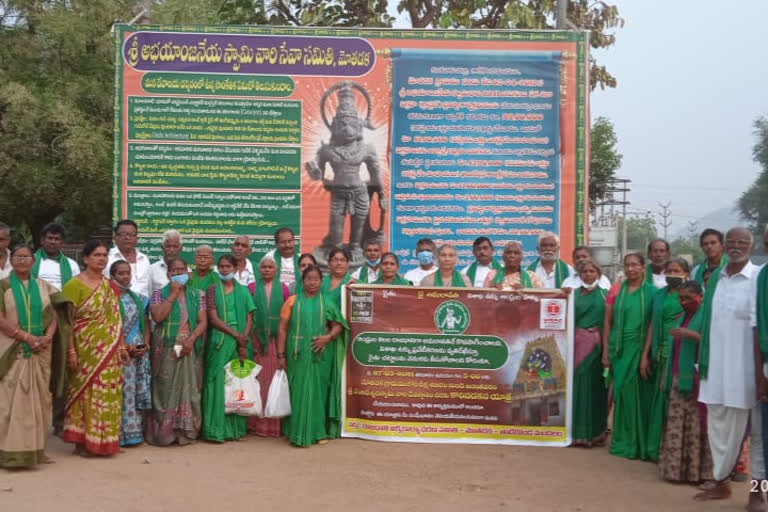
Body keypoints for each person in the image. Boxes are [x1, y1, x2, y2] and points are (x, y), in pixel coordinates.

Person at [695, 227, 763, 508]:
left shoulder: (759, 278)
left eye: (743, 242)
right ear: (725, 246)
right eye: (732, 242)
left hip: (752, 374)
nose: (737, 246)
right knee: (718, 430)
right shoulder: (716, 280)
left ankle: (758, 492)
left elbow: (761, 328)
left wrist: (762, 374)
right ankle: (721, 482)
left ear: (751, 245)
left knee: (760, 437)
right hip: (718, 373)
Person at [63, 240, 130, 457]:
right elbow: (67, 323)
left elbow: (116, 319)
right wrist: (70, 351)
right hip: (84, 350)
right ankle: (83, 441)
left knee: (107, 393)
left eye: (104, 255)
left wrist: (121, 346)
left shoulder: (110, 286)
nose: (101, 258)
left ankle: (103, 441)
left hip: (110, 352)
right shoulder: (74, 285)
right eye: (96, 255)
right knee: (84, 394)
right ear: (85, 258)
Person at [0, 244, 63, 468]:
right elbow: (1, 319)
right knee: (10, 401)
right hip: (13, 351)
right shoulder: (3, 286)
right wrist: (26, 337)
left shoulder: (45, 286)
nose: (23, 260)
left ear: (33, 262)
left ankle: (36, 451)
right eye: (18, 257)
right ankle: (8, 453)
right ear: (11, 260)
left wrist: (47, 337)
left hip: (41, 351)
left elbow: (55, 315)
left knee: (39, 402)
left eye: (27, 257)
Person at [276, 266, 347, 447]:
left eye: (316, 279)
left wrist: (327, 338)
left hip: (320, 355)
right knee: (297, 392)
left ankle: (317, 432)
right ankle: (296, 433)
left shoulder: (327, 302)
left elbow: (338, 325)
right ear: (303, 281)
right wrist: (281, 355)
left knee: (318, 393)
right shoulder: (292, 301)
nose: (312, 282)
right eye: (309, 279)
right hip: (296, 355)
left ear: (321, 282)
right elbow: (282, 329)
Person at [146, 257, 208, 446]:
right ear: (168, 274)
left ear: (188, 273)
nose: (179, 273)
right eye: (175, 270)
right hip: (165, 348)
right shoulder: (158, 294)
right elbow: (157, 317)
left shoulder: (198, 295)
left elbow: (203, 321)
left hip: (190, 346)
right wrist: (172, 295)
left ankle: (186, 432)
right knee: (164, 389)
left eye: (182, 270)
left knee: (190, 388)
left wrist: (190, 340)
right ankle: (165, 433)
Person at [657, 281, 714, 485]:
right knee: (676, 423)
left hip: (698, 379)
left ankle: (700, 473)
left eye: (688, 298)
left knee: (697, 426)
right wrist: (666, 376)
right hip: (676, 376)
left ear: (700, 296)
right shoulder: (681, 317)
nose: (683, 302)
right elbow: (674, 350)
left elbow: (713, 342)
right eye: (681, 298)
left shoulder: (707, 316)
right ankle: (676, 471)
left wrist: (692, 335)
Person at [602, 252, 656, 460]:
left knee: (637, 397)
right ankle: (622, 440)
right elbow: (608, 322)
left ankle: (637, 443)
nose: (631, 269)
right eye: (627, 265)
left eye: (635, 265)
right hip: (619, 349)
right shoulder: (617, 291)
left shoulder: (652, 292)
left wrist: (645, 355)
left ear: (643, 267)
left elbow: (653, 324)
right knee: (621, 396)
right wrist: (606, 350)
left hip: (639, 349)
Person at [203, 254, 256, 442]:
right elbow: (213, 318)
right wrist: (236, 335)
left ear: (235, 268)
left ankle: (234, 429)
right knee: (217, 384)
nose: (224, 270)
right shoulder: (211, 290)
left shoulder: (243, 291)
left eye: (228, 267)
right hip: (220, 340)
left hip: (240, 342)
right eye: (221, 267)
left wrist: (244, 339)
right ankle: (215, 429)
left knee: (236, 384)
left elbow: (250, 316)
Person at [641, 258, 688, 461]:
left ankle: (674, 452)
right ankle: (655, 449)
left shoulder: (687, 295)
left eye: (677, 270)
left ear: (685, 273)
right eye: (669, 270)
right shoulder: (659, 294)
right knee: (658, 401)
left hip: (677, 351)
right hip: (658, 352)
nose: (672, 274)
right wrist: (645, 354)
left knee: (673, 402)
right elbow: (652, 324)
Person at [109, 260, 151, 447]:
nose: (125, 277)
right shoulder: (108, 299)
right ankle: (118, 434)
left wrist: (145, 344)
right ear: (112, 276)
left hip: (138, 355)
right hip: (119, 353)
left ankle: (134, 433)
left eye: (128, 273)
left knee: (133, 391)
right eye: (121, 273)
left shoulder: (138, 298)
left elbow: (146, 323)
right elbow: (110, 326)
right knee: (120, 391)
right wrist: (125, 347)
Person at [249, 256, 289, 437]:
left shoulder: (284, 289)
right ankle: (256, 425)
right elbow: (248, 316)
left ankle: (273, 426)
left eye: (270, 267)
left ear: (276, 270)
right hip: (257, 340)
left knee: (273, 382)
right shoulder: (250, 288)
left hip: (276, 341)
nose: (266, 270)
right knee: (257, 382)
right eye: (263, 267)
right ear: (259, 270)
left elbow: (288, 316)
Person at [571, 261, 608, 446]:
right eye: (584, 271)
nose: (588, 274)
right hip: (575, 345)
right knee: (576, 386)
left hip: (595, 347)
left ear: (598, 274)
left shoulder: (605, 295)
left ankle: (593, 432)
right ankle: (575, 431)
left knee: (594, 388)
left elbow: (610, 322)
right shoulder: (573, 295)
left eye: (592, 271)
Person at [320, 248, 354, 439]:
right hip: (318, 337)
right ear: (329, 263)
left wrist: (353, 291)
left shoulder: (353, 284)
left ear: (348, 263)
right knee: (322, 379)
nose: (339, 263)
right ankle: (321, 420)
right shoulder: (319, 283)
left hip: (340, 339)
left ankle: (336, 424)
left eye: (342, 260)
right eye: (335, 260)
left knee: (338, 379)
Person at [753, 225, 768, 504]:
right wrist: (760, 375)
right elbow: (757, 327)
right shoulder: (763, 277)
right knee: (764, 438)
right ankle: (760, 492)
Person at [106, 219, 151, 296]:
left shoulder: (144, 259)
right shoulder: (107, 258)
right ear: (115, 237)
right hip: (117, 304)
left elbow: (149, 287)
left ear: (136, 238)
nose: (127, 238)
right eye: (123, 234)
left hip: (143, 306)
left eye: (131, 234)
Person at [30, 222, 80, 291]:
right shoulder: (29, 261)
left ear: (62, 243)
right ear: (42, 240)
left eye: (56, 239)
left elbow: (76, 291)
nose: (53, 242)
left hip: (63, 301)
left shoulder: (72, 265)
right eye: (50, 238)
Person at [147, 230, 184, 297]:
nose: (171, 250)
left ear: (180, 248)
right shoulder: (152, 270)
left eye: (175, 247)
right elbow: (149, 295)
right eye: (168, 246)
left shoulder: (187, 271)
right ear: (162, 247)